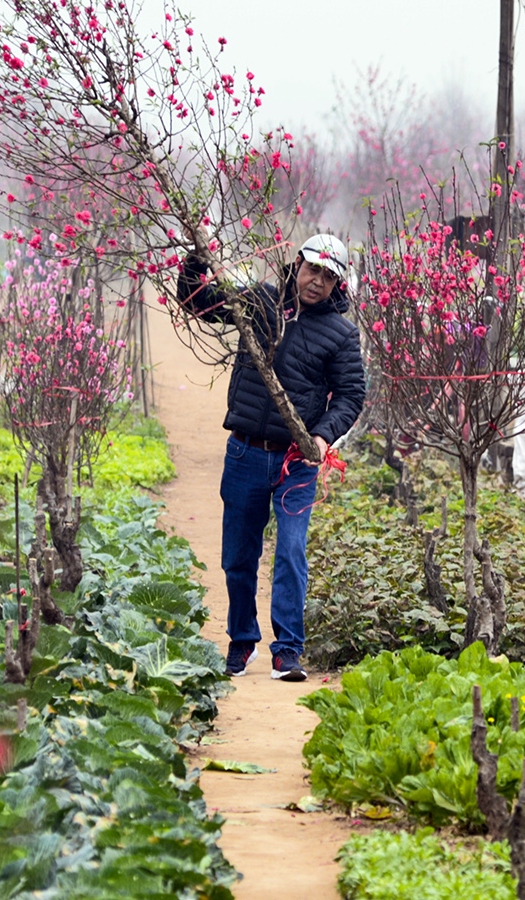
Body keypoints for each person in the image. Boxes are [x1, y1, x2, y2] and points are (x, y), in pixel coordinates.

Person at [176, 234, 366, 682]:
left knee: (291, 552)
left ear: (337, 284)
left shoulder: (341, 334)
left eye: (327, 276)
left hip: (295, 461)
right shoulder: (260, 302)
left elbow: (352, 395)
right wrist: (195, 261)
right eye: (311, 269)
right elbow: (199, 302)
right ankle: (242, 641)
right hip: (245, 449)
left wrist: (321, 438)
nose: (316, 282)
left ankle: (288, 650)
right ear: (295, 263)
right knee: (238, 556)